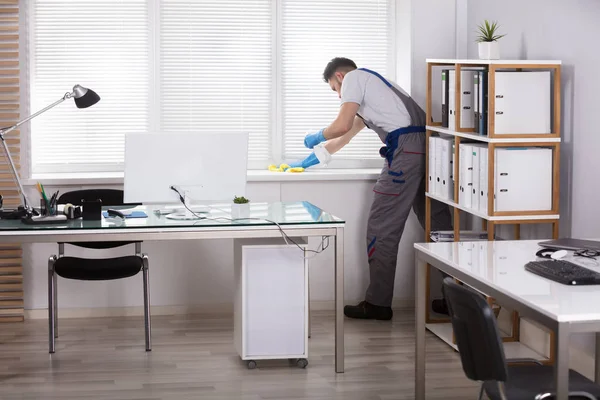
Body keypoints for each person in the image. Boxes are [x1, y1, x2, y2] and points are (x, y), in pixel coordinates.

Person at [289, 57, 453, 320]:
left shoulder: (354, 79)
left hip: (405, 151)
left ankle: (378, 303)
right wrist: (308, 161)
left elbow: (340, 125)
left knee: (382, 225)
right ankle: (458, 298)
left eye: (335, 89)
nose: (339, 96)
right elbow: (345, 136)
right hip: (429, 147)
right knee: (438, 223)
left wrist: (316, 135)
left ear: (340, 77)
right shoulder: (378, 90)